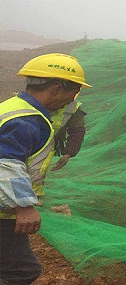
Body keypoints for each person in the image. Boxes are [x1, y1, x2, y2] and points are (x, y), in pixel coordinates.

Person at [0, 53, 91, 285]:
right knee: (22, 270)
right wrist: (24, 206)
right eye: (75, 91)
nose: (73, 99)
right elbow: (7, 165)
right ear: (57, 88)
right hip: (3, 210)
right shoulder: (27, 121)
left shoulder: (12, 107)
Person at [49, 98, 87, 171]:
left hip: (47, 146)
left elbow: (77, 131)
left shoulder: (73, 106)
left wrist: (67, 155)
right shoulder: (35, 98)